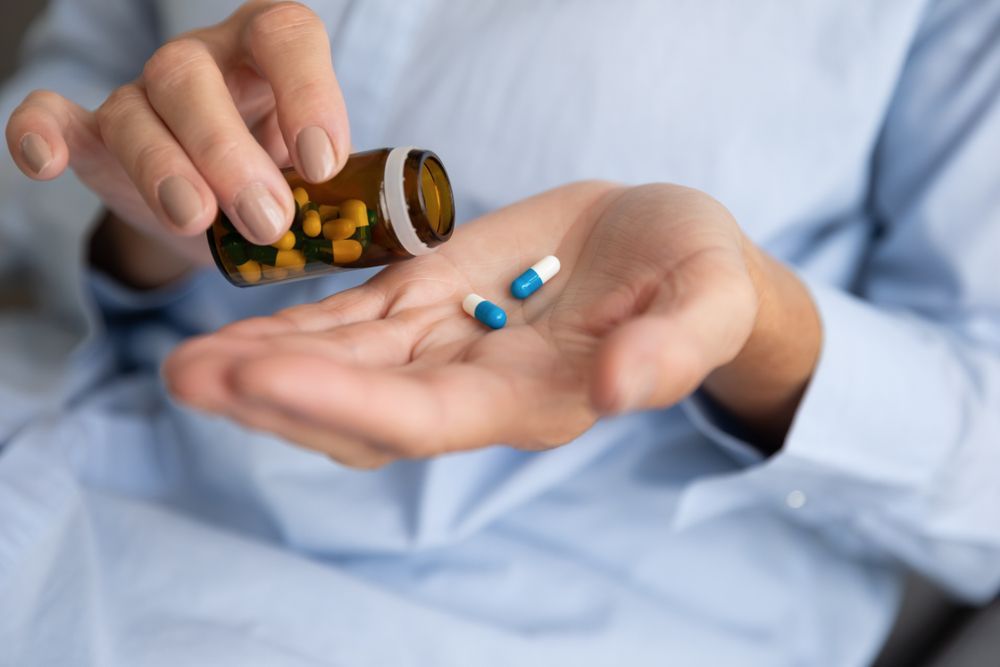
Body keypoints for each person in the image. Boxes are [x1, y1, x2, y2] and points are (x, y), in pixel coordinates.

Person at [1, 0, 999, 664]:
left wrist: (758, 316)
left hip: (529, 609)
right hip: (61, 432)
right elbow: (53, 125)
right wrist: (143, 220)